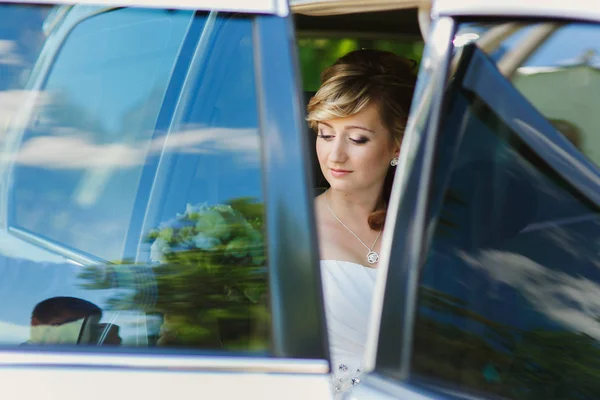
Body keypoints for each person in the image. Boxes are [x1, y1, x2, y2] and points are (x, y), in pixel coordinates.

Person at [306, 49, 416, 397]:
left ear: (397, 145)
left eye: (357, 139)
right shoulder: (292, 228)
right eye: (325, 134)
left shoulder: (426, 229)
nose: (335, 154)